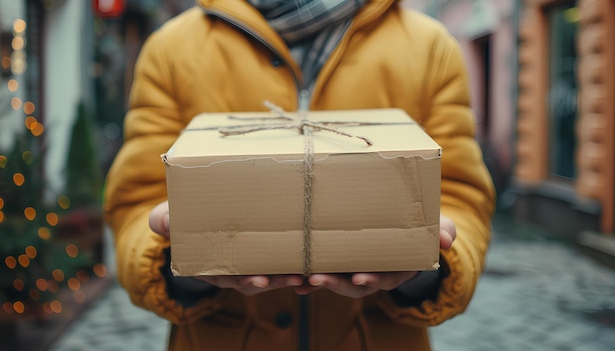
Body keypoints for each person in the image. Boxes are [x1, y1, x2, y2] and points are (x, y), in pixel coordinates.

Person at [103, 0, 496, 350]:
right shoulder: (172, 49)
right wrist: (186, 265)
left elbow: (462, 198)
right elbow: (136, 207)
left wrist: (422, 270)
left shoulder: (431, 48)